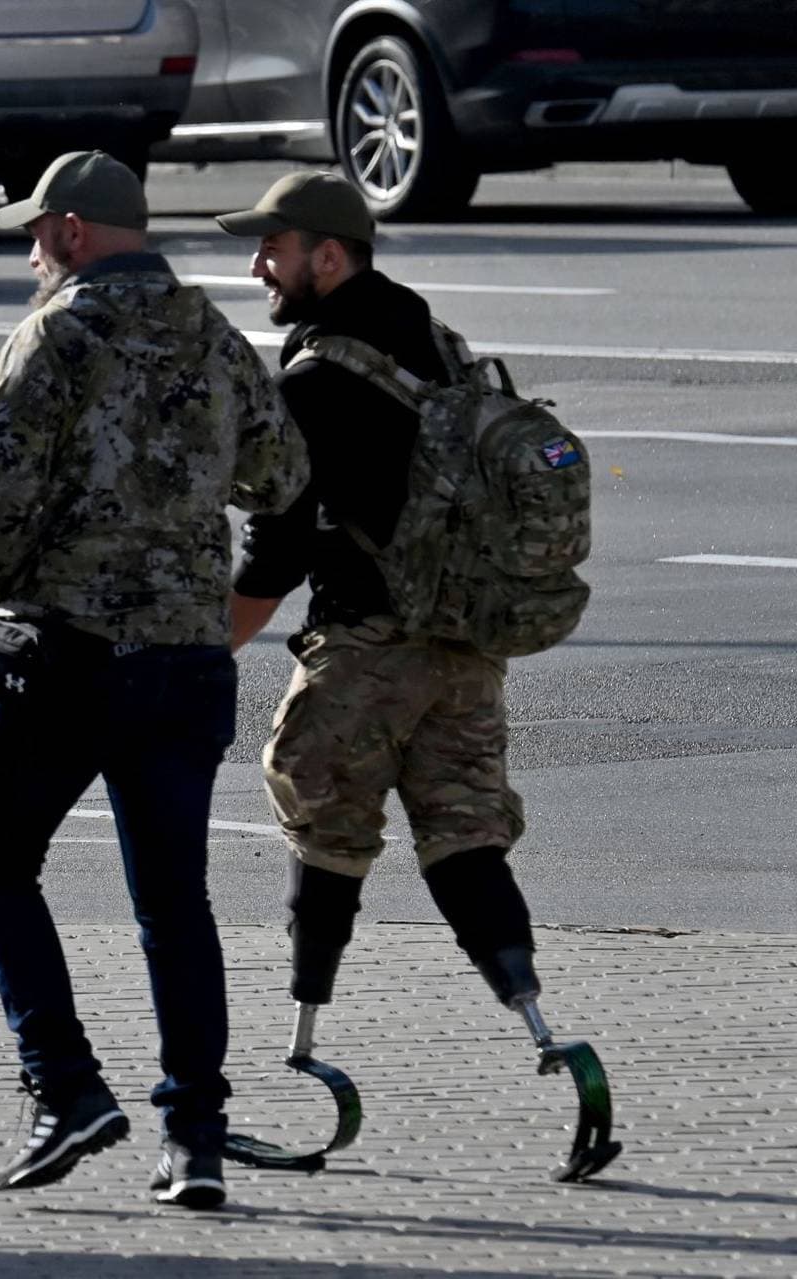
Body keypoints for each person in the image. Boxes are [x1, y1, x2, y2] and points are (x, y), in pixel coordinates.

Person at [0, 151, 309, 1210]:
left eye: (34, 233)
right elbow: (282, 475)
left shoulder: (57, 334)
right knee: (174, 901)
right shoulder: (211, 333)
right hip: (187, 660)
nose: (31, 251)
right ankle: (193, 1136)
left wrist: (9, 582)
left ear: (69, 231)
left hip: (67, 654)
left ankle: (68, 1087)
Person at [218, 172, 551, 1069]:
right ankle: (544, 1029)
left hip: (365, 646)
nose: (258, 267)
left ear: (329, 256)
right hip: (466, 648)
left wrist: (211, 649)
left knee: (322, 815)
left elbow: (277, 548)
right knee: (464, 834)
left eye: (273, 249)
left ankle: (304, 1038)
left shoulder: (320, 376)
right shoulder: (435, 339)